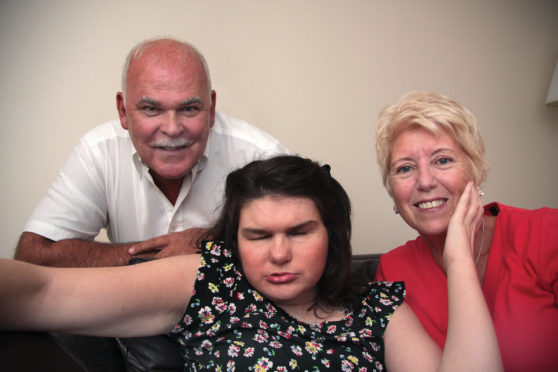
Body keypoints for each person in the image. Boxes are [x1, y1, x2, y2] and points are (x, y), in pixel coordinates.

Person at [0, 155, 502, 371]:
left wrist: (459, 261)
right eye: (258, 236)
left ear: (332, 233)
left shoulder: (376, 309)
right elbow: (41, 291)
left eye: (300, 232)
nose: (279, 254)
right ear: (233, 241)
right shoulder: (211, 282)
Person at [15, 38, 288, 267]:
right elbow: (34, 253)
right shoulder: (99, 152)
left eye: (189, 109)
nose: (172, 128)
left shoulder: (260, 153)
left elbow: (324, 231)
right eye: (151, 109)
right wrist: (160, 256)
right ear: (123, 111)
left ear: (212, 109)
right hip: (133, 318)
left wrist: (211, 241)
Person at [373, 91, 558, 372]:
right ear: (393, 192)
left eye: (443, 160)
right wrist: (459, 255)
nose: (424, 181)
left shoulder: (545, 232)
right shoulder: (392, 271)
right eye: (405, 168)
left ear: (475, 170)